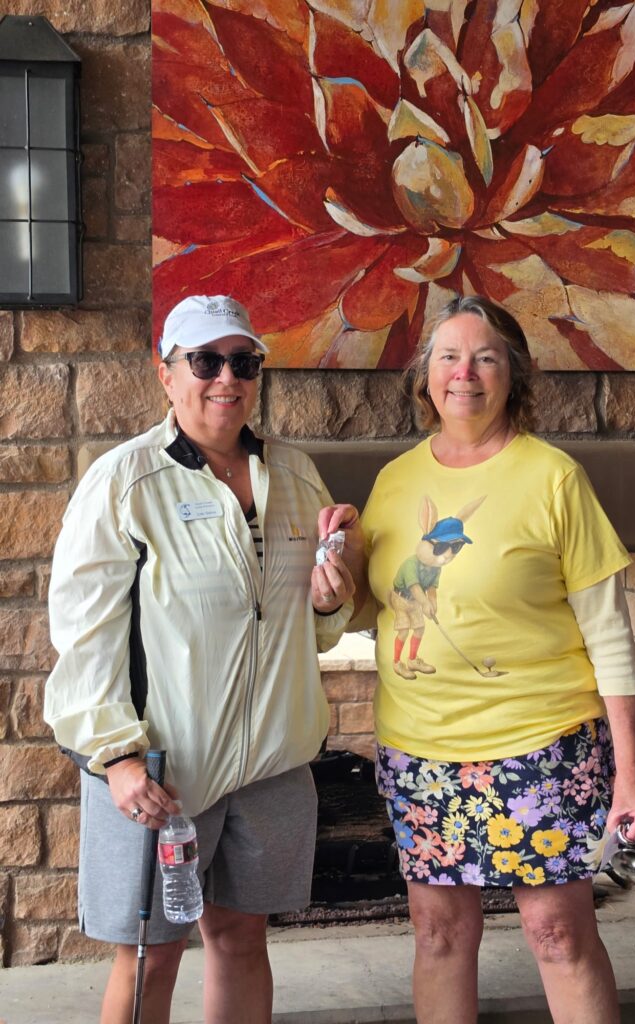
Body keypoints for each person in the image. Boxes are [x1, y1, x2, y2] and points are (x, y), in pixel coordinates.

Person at [320, 295, 635, 1024]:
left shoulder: (553, 478)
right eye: (449, 356)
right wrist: (334, 581)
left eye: (485, 357)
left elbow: (608, 634)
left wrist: (633, 769)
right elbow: (372, 608)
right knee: (438, 935)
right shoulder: (396, 481)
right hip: (421, 750)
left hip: (543, 745)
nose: (465, 373)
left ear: (515, 373)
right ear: (426, 375)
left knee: (558, 934)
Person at [44, 295, 355, 1024]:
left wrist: (328, 602)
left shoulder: (296, 475)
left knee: (243, 941)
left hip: (272, 766)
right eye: (205, 361)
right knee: (150, 955)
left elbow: (312, 633)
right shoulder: (123, 482)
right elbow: (85, 635)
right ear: (167, 374)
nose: (226, 378)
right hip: (162, 774)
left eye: (243, 362)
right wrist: (117, 757)